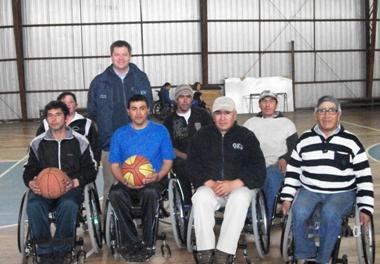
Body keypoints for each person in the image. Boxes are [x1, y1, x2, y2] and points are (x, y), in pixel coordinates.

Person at [280, 95, 374, 264]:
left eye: (331, 110)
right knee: (299, 212)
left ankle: (323, 259)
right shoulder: (304, 140)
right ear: (316, 115)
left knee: (330, 213)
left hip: (342, 192)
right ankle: (306, 252)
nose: (326, 115)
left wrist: (366, 207)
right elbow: (293, 171)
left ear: (339, 115)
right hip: (310, 190)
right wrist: (287, 198)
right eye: (322, 110)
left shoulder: (352, 141)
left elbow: (364, 175)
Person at [187, 96, 266, 264]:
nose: (222, 118)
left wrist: (235, 183)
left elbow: (258, 169)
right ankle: (205, 252)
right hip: (211, 186)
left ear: (235, 115)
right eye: (218, 113)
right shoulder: (201, 136)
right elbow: (192, 165)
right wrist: (208, 182)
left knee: (239, 199)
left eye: (227, 113)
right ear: (212, 115)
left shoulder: (247, 137)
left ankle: (224, 253)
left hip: (239, 186)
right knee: (200, 198)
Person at [23, 101, 98, 264]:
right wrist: (30, 182)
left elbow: (91, 169)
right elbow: (29, 169)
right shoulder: (37, 143)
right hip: (43, 189)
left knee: (69, 205)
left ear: (65, 118)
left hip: (69, 188)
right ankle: (44, 251)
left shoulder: (80, 141)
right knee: (34, 206)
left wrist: (77, 181)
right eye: (50, 115)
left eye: (58, 115)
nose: (54, 119)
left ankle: (61, 250)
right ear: (46, 119)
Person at [108, 94, 175, 262]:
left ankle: (147, 242)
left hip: (154, 180)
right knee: (115, 194)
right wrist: (125, 181)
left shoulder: (160, 131)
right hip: (127, 181)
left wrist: (157, 176)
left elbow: (168, 161)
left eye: (142, 108)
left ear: (148, 110)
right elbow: (115, 165)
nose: (138, 113)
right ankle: (130, 242)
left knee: (150, 193)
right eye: (134, 109)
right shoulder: (119, 133)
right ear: (128, 112)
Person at [87, 40, 153, 210]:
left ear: (130, 56)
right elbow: (93, 112)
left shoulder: (141, 78)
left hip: (139, 143)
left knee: (140, 184)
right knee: (111, 186)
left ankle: (139, 221)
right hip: (110, 145)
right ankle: (108, 229)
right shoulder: (99, 82)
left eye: (124, 54)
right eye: (117, 54)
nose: (121, 58)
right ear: (111, 56)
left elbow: (148, 106)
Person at [243, 90, 298, 220]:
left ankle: (266, 218)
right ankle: (247, 218)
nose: (267, 105)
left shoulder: (287, 124)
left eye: (271, 101)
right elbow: (242, 146)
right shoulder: (250, 123)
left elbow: (295, 147)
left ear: (276, 104)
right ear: (259, 104)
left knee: (270, 177)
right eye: (264, 101)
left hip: (275, 166)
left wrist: (284, 158)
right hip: (255, 165)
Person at [163, 84, 213, 205]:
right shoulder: (169, 120)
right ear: (176, 99)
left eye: (188, 97)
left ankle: (206, 198)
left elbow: (212, 137)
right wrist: (186, 156)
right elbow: (168, 146)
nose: (185, 100)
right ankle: (186, 204)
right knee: (182, 167)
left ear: (192, 99)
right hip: (181, 159)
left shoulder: (202, 115)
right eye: (181, 97)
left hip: (203, 158)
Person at [37, 92, 101, 164]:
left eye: (71, 102)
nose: (67, 105)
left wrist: (93, 166)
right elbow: (38, 147)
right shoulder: (46, 123)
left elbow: (95, 149)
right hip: (52, 168)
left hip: (78, 170)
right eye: (64, 102)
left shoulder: (86, 123)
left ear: (76, 105)